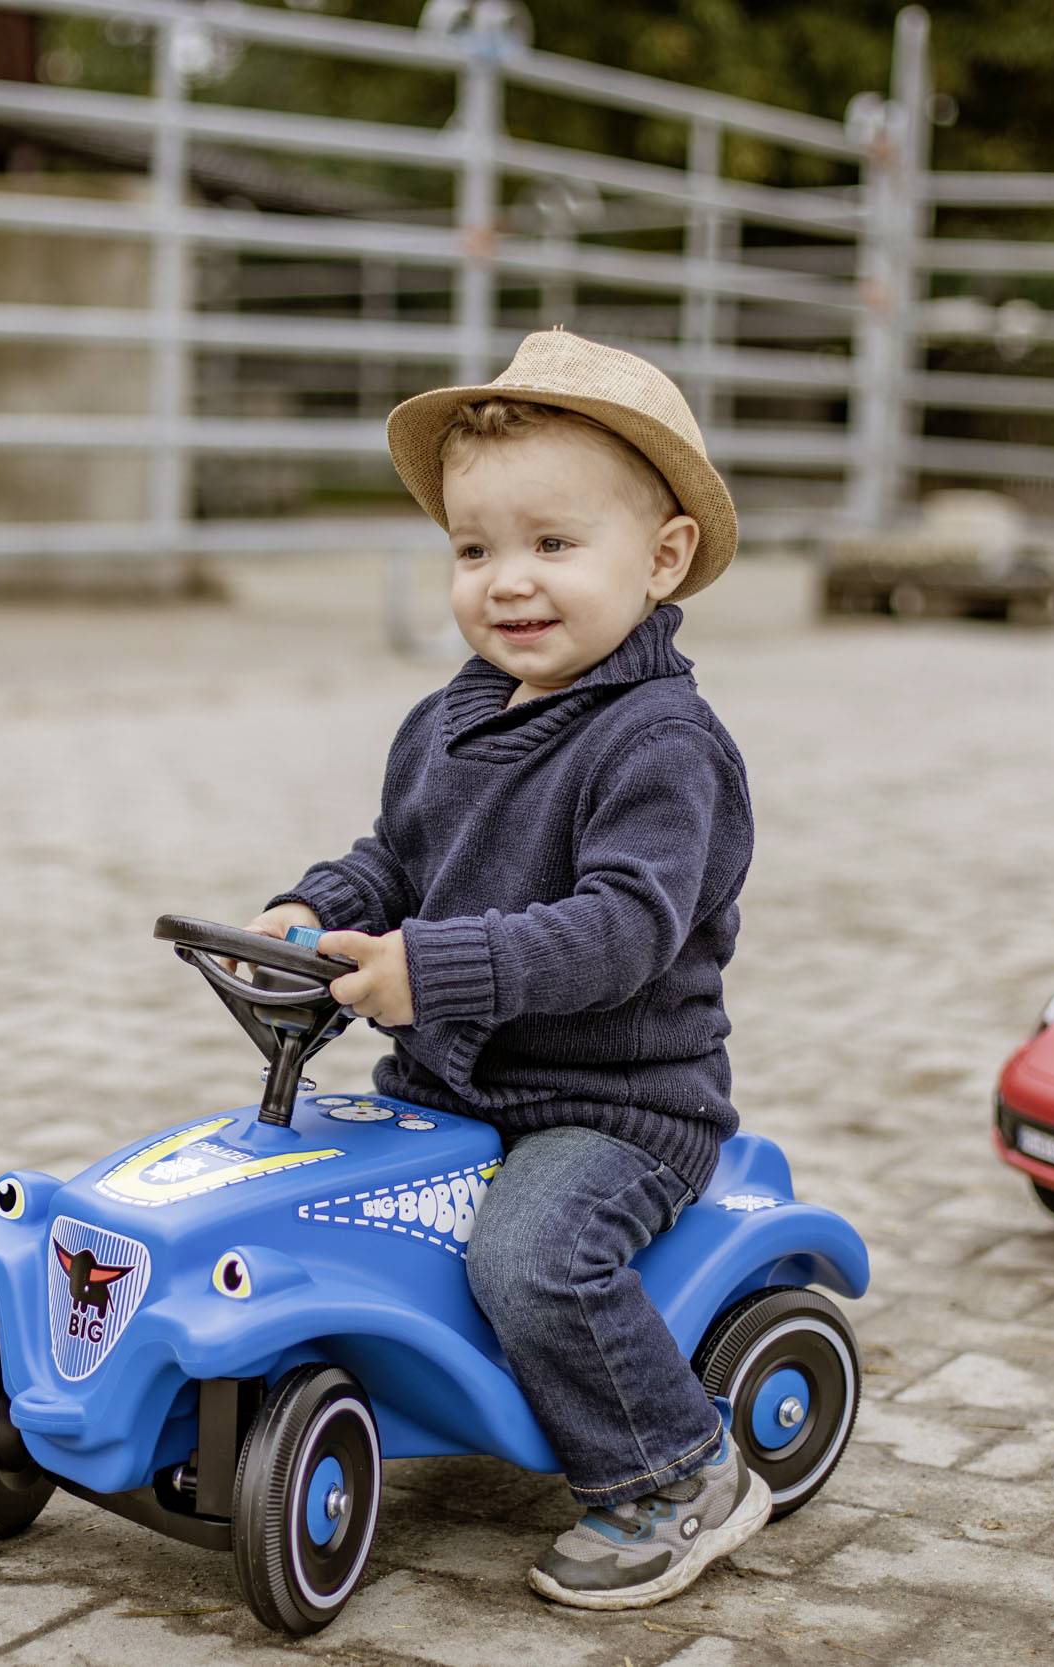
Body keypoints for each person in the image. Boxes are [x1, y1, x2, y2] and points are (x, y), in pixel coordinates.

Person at [246, 327, 763, 1610]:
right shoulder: (450, 717)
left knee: (530, 1257)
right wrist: (318, 908)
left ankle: (677, 1470)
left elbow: (620, 929)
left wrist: (433, 969)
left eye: (553, 543)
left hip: (612, 1107)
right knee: (298, 1191)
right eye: (474, 550)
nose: (507, 582)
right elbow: (397, 856)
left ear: (661, 558)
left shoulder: (663, 744)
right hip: (455, 1087)